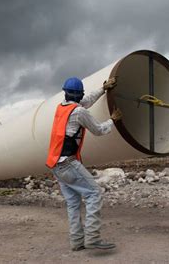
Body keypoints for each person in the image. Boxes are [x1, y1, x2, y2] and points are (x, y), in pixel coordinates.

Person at [46, 76, 122, 251]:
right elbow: (99, 130)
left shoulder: (62, 108)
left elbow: (85, 102)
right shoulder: (79, 112)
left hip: (55, 164)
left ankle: (77, 242)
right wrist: (113, 120)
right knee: (94, 193)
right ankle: (93, 238)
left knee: (73, 203)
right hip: (68, 163)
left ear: (65, 93)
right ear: (80, 94)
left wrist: (104, 89)